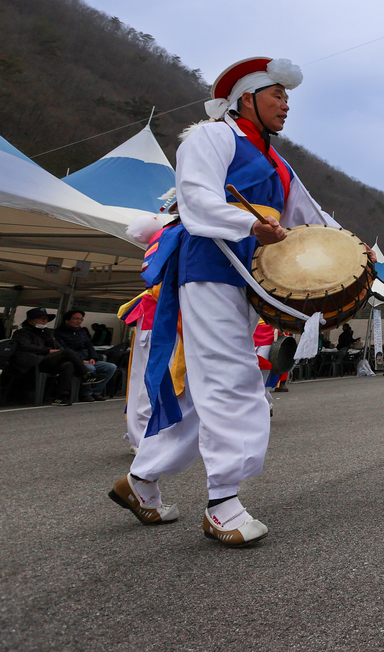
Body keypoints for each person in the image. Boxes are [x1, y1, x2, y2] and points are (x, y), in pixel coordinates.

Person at [107, 55, 342, 546]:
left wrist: (344, 246)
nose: (286, 105)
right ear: (247, 99)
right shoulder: (211, 137)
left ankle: (141, 480)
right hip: (208, 267)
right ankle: (222, 503)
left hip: (245, 276)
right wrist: (248, 223)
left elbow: (309, 214)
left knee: (204, 388)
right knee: (234, 377)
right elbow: (195, 198)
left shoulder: (275, 159)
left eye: (288, 98)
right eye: (278, 95)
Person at [9, 308, 78, 405]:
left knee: (68, 364)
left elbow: (58, 346)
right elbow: (25, 346)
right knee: (67, 352)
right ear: (30, 321)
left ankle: (62, 396)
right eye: (41, 318)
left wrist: (58, 351)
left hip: (49, 361)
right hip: (35, 361)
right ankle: (86, 374)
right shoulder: (22, 333)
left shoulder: (48, 333)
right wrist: (48, 350)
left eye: (45, 318)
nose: (44, 321)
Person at [55, 310, 117, 402]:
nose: (79, 321)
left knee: (111, 367)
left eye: (81, 319)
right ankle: (85, 394)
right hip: (73, 361)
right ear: (67, 321)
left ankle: (96, 392)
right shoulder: (59, 333)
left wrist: (93, 358)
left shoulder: (82, 332)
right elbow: (65, 350)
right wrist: (82, 361)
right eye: (76, 319)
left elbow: (89, 346)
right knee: (90, 368)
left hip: (88, 359)